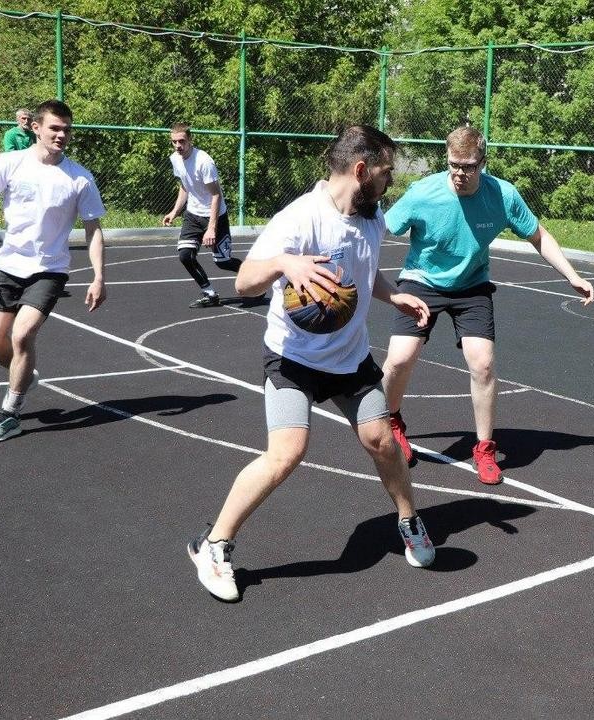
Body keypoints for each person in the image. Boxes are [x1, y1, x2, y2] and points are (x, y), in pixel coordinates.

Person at [188, 125, 436, 602]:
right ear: (361, 170)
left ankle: (409, 521)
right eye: (386, 174)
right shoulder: (299, 219)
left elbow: (363, 270)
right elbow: (242, 283)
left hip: (351, 358)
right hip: (293, 359)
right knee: (287, 452)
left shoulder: (371, 215)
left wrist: (393, 296)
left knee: (382, 440)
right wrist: (287, 263)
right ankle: (213, 545)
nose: (390, 184)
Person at [381, 125, 594, 485]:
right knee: (400, 358)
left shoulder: (503, 195)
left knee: (483, 364)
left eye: (468, 166)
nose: (460, 174)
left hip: (472, 287)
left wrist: (571, 275)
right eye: (454, 165)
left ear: (483, 161)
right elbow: (380, 231)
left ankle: (484, 448)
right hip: (422, 281)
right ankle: (391, 421)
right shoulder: (423, 193)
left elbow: (539, 236)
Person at [0, 99, 107, 442]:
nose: (61, 134)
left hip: (49, 270)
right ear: (36, 127)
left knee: (22, 335)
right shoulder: (11, 162)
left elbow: (93, 228)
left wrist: (98, 276)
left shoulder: (79, 177)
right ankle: (23, 374)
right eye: (54, 128)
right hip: (7, 267)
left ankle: (10, 412)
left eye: (67, 129)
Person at [162, 123, 238, 309]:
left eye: (182, 141)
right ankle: (210, 294)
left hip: (214, 216)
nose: (178, 145)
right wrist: (174, 211)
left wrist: (211, 228)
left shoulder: (204, 162)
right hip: (193, 215)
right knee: (185, 255)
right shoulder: (175, 159)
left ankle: (257, 279)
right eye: (174, 142)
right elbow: (184, 186)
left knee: (223, 262)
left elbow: (216, 195)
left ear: (190, 140)